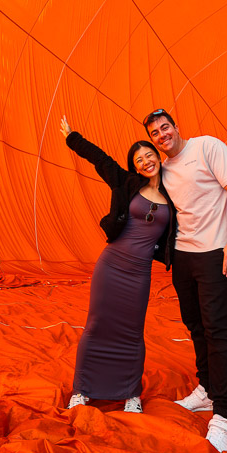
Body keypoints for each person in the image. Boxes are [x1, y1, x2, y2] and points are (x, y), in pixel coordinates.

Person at [143, 109, 227, 452]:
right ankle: (206, 388)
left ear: (175, 126)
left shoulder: (207, 147)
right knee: (195, 325)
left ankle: (223, 417)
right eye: (155, 133)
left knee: (217, 327)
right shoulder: (163, 170)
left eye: (164, 127)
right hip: (182, 257)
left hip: (215, 252)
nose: (161, 135)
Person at [61, 115, 176, 413]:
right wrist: (73, 137)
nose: (146, 161)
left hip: (139, 273)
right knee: (97, 326)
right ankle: (82, 390)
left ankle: (130, 394)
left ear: (158, 156)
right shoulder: (126, 184)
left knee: (131, 331)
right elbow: (99, 159)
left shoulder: (174, 194)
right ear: (134, 166)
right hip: (111, 266)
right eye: (139, 159)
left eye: (149, 154)